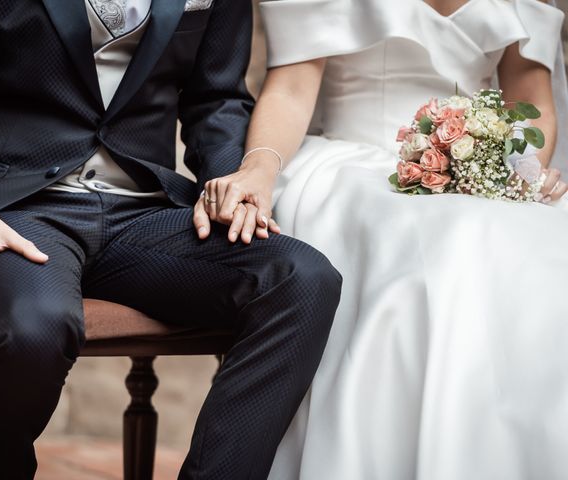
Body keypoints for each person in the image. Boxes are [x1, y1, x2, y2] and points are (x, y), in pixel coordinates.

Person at [0, 1, 343, 479]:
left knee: (300, 280)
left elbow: (217, 98)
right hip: (14, 204)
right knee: (34, 326)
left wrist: (231, 184)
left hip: (143, 209)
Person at [203, 0, 568, 478]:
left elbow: (532, 102)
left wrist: (515, 165)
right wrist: (260, 168)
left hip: (475, 174)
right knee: (449, 242)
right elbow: (291, 89)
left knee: (537, 249)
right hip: (350, 163)